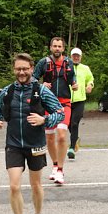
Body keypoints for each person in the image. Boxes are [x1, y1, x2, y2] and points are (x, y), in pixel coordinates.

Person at [0, 53, 65, 214]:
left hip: (36, 144)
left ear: (32, 69)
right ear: (14, 70)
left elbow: (60, 112)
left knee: (35, 185)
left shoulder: (40, 90)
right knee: (14, 186)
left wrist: (45, 120)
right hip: (14, 144)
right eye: (18, 69)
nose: (22, 72)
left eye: (25, 68)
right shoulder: (7, 91)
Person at [33, 37, 77, 184]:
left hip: (64, 104)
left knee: (62, 136)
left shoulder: (69, 62)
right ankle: (55, 164)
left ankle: (60, 170)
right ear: (50, 48)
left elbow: (73, 80)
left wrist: (75, 85)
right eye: (55, 46)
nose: (57, 48)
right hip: (48, 105)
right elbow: (31, 80)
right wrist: (41, 84)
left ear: (63, 48)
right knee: (50, 138)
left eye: (60, 46)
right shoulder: (43, 63)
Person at [67, 47, 94, 160]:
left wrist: (90, 86)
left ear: (81, 57)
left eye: (78, 56)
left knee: (74, 123)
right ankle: (76, 139)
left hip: (80, 100)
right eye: (74, 55)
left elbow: (90, 80)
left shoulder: (85, 68)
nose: (76, 57)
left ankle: (72, 148)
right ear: (71, 56)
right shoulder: (66, 67)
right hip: (67, 99)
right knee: (67, 123)